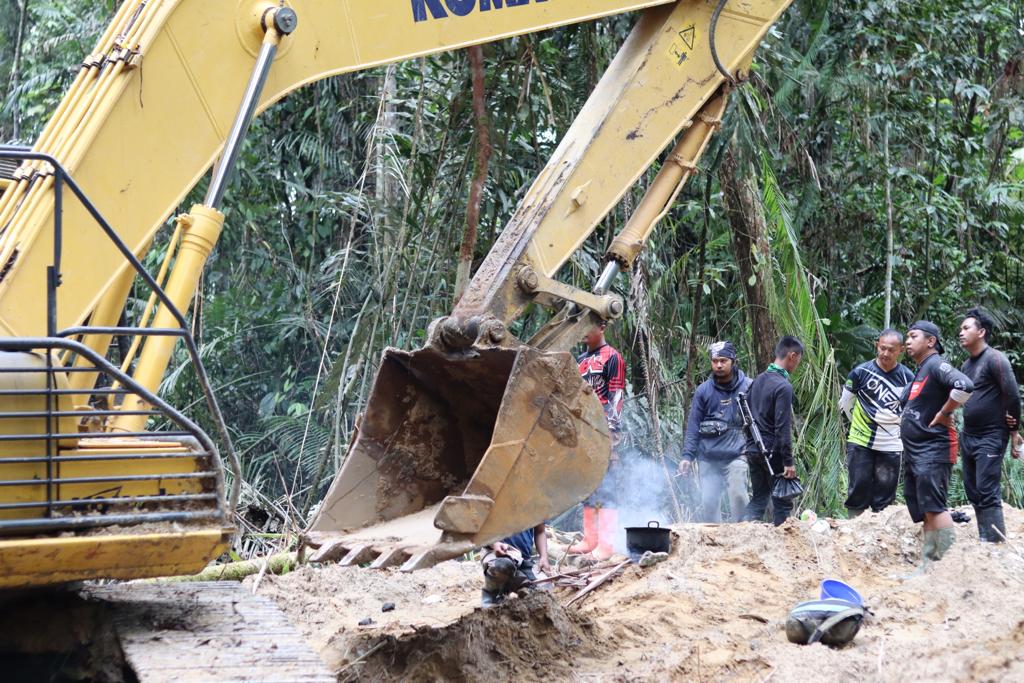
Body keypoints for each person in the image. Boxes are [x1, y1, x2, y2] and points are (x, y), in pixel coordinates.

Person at [900, 320, 974, 564]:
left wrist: (944, 413)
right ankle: (931, 564)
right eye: (907, 337)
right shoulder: (921, 369)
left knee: (935, 506)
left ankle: (947, 568)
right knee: (925, 509)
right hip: (916, 451)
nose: (907, 341)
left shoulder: (935, 365)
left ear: (930, 341)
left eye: (913, 336)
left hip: (933, 448)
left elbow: (965, 385)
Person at [958, 308, 1021, 543]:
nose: (961, 332)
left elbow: (1012, 396)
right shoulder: (966, 366)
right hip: (969, 435)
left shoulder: (995, 359)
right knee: (972, 487)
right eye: (961, 328)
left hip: (991, 435)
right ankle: (985, 535)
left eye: (966, 328)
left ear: (981, 332)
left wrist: (1014, 433)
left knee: (987, 487)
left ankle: (994, 541)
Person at [838, 330, 915, 516]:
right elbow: (845, 403)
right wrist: (856, 426)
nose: (885, 353)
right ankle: (854, 530)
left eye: (891, 350)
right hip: (860, 441)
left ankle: (880, 534)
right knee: (858, 487)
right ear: (876, 346)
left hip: (891, 444)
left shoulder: (908, 377)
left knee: (885, 495)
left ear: (901, 350)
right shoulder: (860, 372)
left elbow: (910, 410)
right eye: (882, 348)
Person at [570, 320, 626, 561]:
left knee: (607, 484)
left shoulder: (612, 357)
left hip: (604, 429)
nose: (583, 332)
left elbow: (616, 395)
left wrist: (612, 433)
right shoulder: (580, 360)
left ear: (602, 327)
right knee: (587, 482)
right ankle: (589, 539)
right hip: (583, 429)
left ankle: (606, 544)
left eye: (588, 327)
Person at [678, 341, 751, 522]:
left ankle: (742, 538)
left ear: (733, 361)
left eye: (723, 360)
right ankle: (714, 546)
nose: (718, 365)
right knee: (709, 504)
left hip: (737, 455)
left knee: (739, 496)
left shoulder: (749, 387)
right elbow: (694, 425)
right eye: (715, 361)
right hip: (708, 456)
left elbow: (758, 422)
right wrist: (687, 456)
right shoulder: (703, 391)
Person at [743, 336, 803, 526]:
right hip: (772, 452)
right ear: (792, 356)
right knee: (783, 504)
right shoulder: (783, 386)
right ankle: (785, 548)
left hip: (753, 449)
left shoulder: (758, 380)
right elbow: (782, 427)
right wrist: (788, 462)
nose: (797, 365)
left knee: (759, 499)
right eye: (798, 360)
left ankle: (740, 535)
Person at [480, 522, 552, 607]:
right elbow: (478, 526)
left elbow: (540, 531)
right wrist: (494, 543)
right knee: (502, 566)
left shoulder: (537, 508)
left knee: (544, 588)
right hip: (495, 553)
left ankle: (515, 590)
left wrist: (543, 557)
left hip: (523, 559)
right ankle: (490, 598)